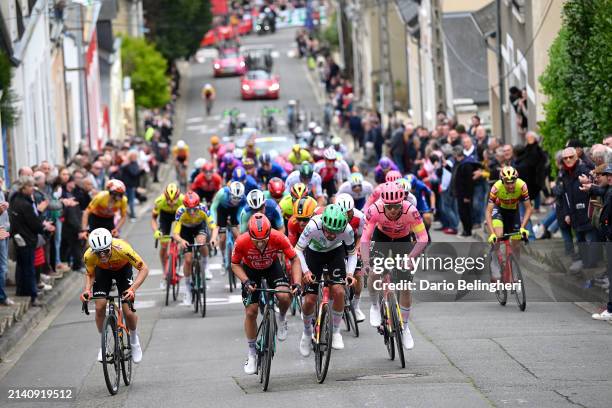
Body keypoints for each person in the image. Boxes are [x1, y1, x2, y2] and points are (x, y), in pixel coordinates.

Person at [361, 182, 428, 350]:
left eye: (396, 206)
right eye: (389, 207)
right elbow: (365, 239)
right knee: (375, 272)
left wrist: (411, 257)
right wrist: (367, 261)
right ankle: (375, 305)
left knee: (405, 286)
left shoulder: (411, 210)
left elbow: (423, 238)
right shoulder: (374, 210)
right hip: (381, 237)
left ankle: (405, 328)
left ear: (402, 203)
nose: (392, 210)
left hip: (402, 240)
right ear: (383, 203)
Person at [232, 212, 301, 374]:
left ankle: (282, 318)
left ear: (270, 233)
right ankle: (252, 353)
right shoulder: (241, 241)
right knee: (251, 311)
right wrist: (246, 281)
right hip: (250, 271)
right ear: (250, 235)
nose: (261, 243)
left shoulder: (278, 237)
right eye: (257, 240)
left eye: (264, 239)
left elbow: (295, 259)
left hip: (272, 267)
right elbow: (235, 264)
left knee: (284, 296)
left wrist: (297, 282)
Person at [80, 228, 149, 363]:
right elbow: (90, 274)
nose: (103, 256)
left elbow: (144, 269)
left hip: (123, 270)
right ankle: (103, 344)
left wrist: (132, 289)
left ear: (111, 246)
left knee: (128, 312)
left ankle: (134, 340)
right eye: (99, 253)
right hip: (103, 272)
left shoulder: (122, 248)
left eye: (106, 251)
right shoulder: (89, 255)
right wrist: (87, 290)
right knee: (100, 306)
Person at [295, 204, 357, 354]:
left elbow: (352, 253)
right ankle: (307, 332)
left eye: (335, 233)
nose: (331, 235)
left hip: (335, 253)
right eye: (328, 231)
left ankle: (336, 331)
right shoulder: (313, 225)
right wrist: (306, 271)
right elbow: (298, 250)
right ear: (323, 224)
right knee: (310, 299)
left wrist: (350, 273)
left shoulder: (347, 230)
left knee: (339, 291)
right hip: (313, 254)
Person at [485, 167, 531, 279]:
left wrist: (523, 227)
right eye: (507, 183)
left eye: (512, 182)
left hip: (513, 211)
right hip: (499, 210)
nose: (510, 186)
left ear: (516, 180)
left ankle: (515, 269)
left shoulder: (522, 185)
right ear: (502, 181)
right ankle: (495, 263)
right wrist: (492, 234)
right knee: (499, 235)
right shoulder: (496, 187)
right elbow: (488, 211)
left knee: (516, 241)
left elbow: (529, 208)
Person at [173, 191, 217, 301]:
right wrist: (181, 241)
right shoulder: (180, 212)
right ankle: (188, 288)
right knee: (188, 260)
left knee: (202, 242)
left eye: (194, 209)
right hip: (185, 230)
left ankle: (205, 267)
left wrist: (213, 239)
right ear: (185, 207)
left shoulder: (203, 209)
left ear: (198, 206)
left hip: (199, 226)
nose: (192, 212)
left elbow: (214, 227)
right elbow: (175, 234)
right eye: (189, 210)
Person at [335, 193, 367, 322]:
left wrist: (358, 249)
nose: (346, 216)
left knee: (358, 275)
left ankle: (356, 305)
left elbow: (362, 236)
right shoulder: (331, 214)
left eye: (349, 213)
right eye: (343, 213)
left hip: (352, 244)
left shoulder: (360, 217)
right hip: (336, 245)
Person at [151, 183, 184, 288]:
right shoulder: (159, 201)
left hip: (179, 217)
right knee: (164, 245)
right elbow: (153, 219)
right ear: (165, 197)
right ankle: (165, 272)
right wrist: (156, 231)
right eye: (168, 200)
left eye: (174, 200)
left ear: (178, 197)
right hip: (165, 218)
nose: (171, 202)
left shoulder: (183, 200)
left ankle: (180, 265)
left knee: (180, 241)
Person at [210, 181, 246, 265]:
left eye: (238, 198)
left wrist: (239, 225)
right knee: (222, 238)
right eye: (234, 197)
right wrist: (214, 222)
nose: (236, 200)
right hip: (222, 211)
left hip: (235, 211)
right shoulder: (222, 193)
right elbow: (213, 207)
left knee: (237, 234)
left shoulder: (244, 199)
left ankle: (238, 255)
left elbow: (242, 214)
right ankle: (223, 256)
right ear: (230, 193)